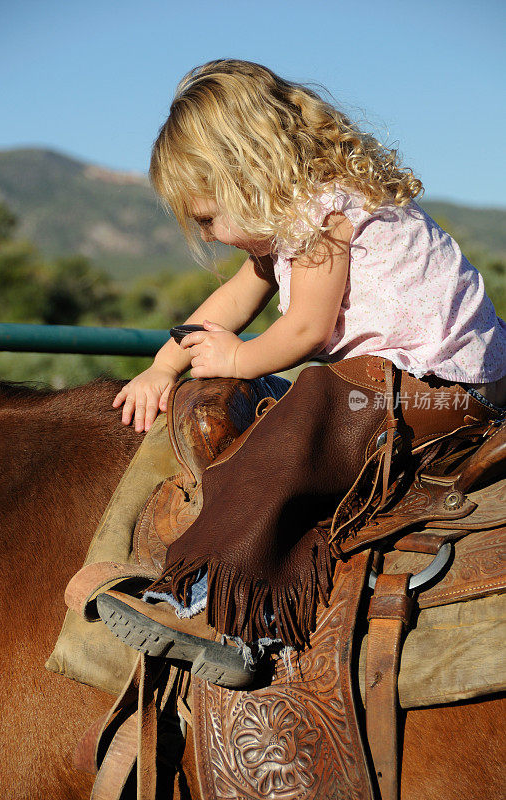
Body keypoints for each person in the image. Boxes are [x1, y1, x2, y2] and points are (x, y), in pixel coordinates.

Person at [98, 59, 506, 687]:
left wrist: (236, 358)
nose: (210, 237)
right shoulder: (286, 223)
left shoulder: (325, 211)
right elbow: (229, 305)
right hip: (392, 386)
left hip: (441, 394)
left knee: (309, 403)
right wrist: (163, 365)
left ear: (246, 176)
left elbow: (306, 330)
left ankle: (223, 609)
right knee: (288, 407)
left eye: (208, 219)